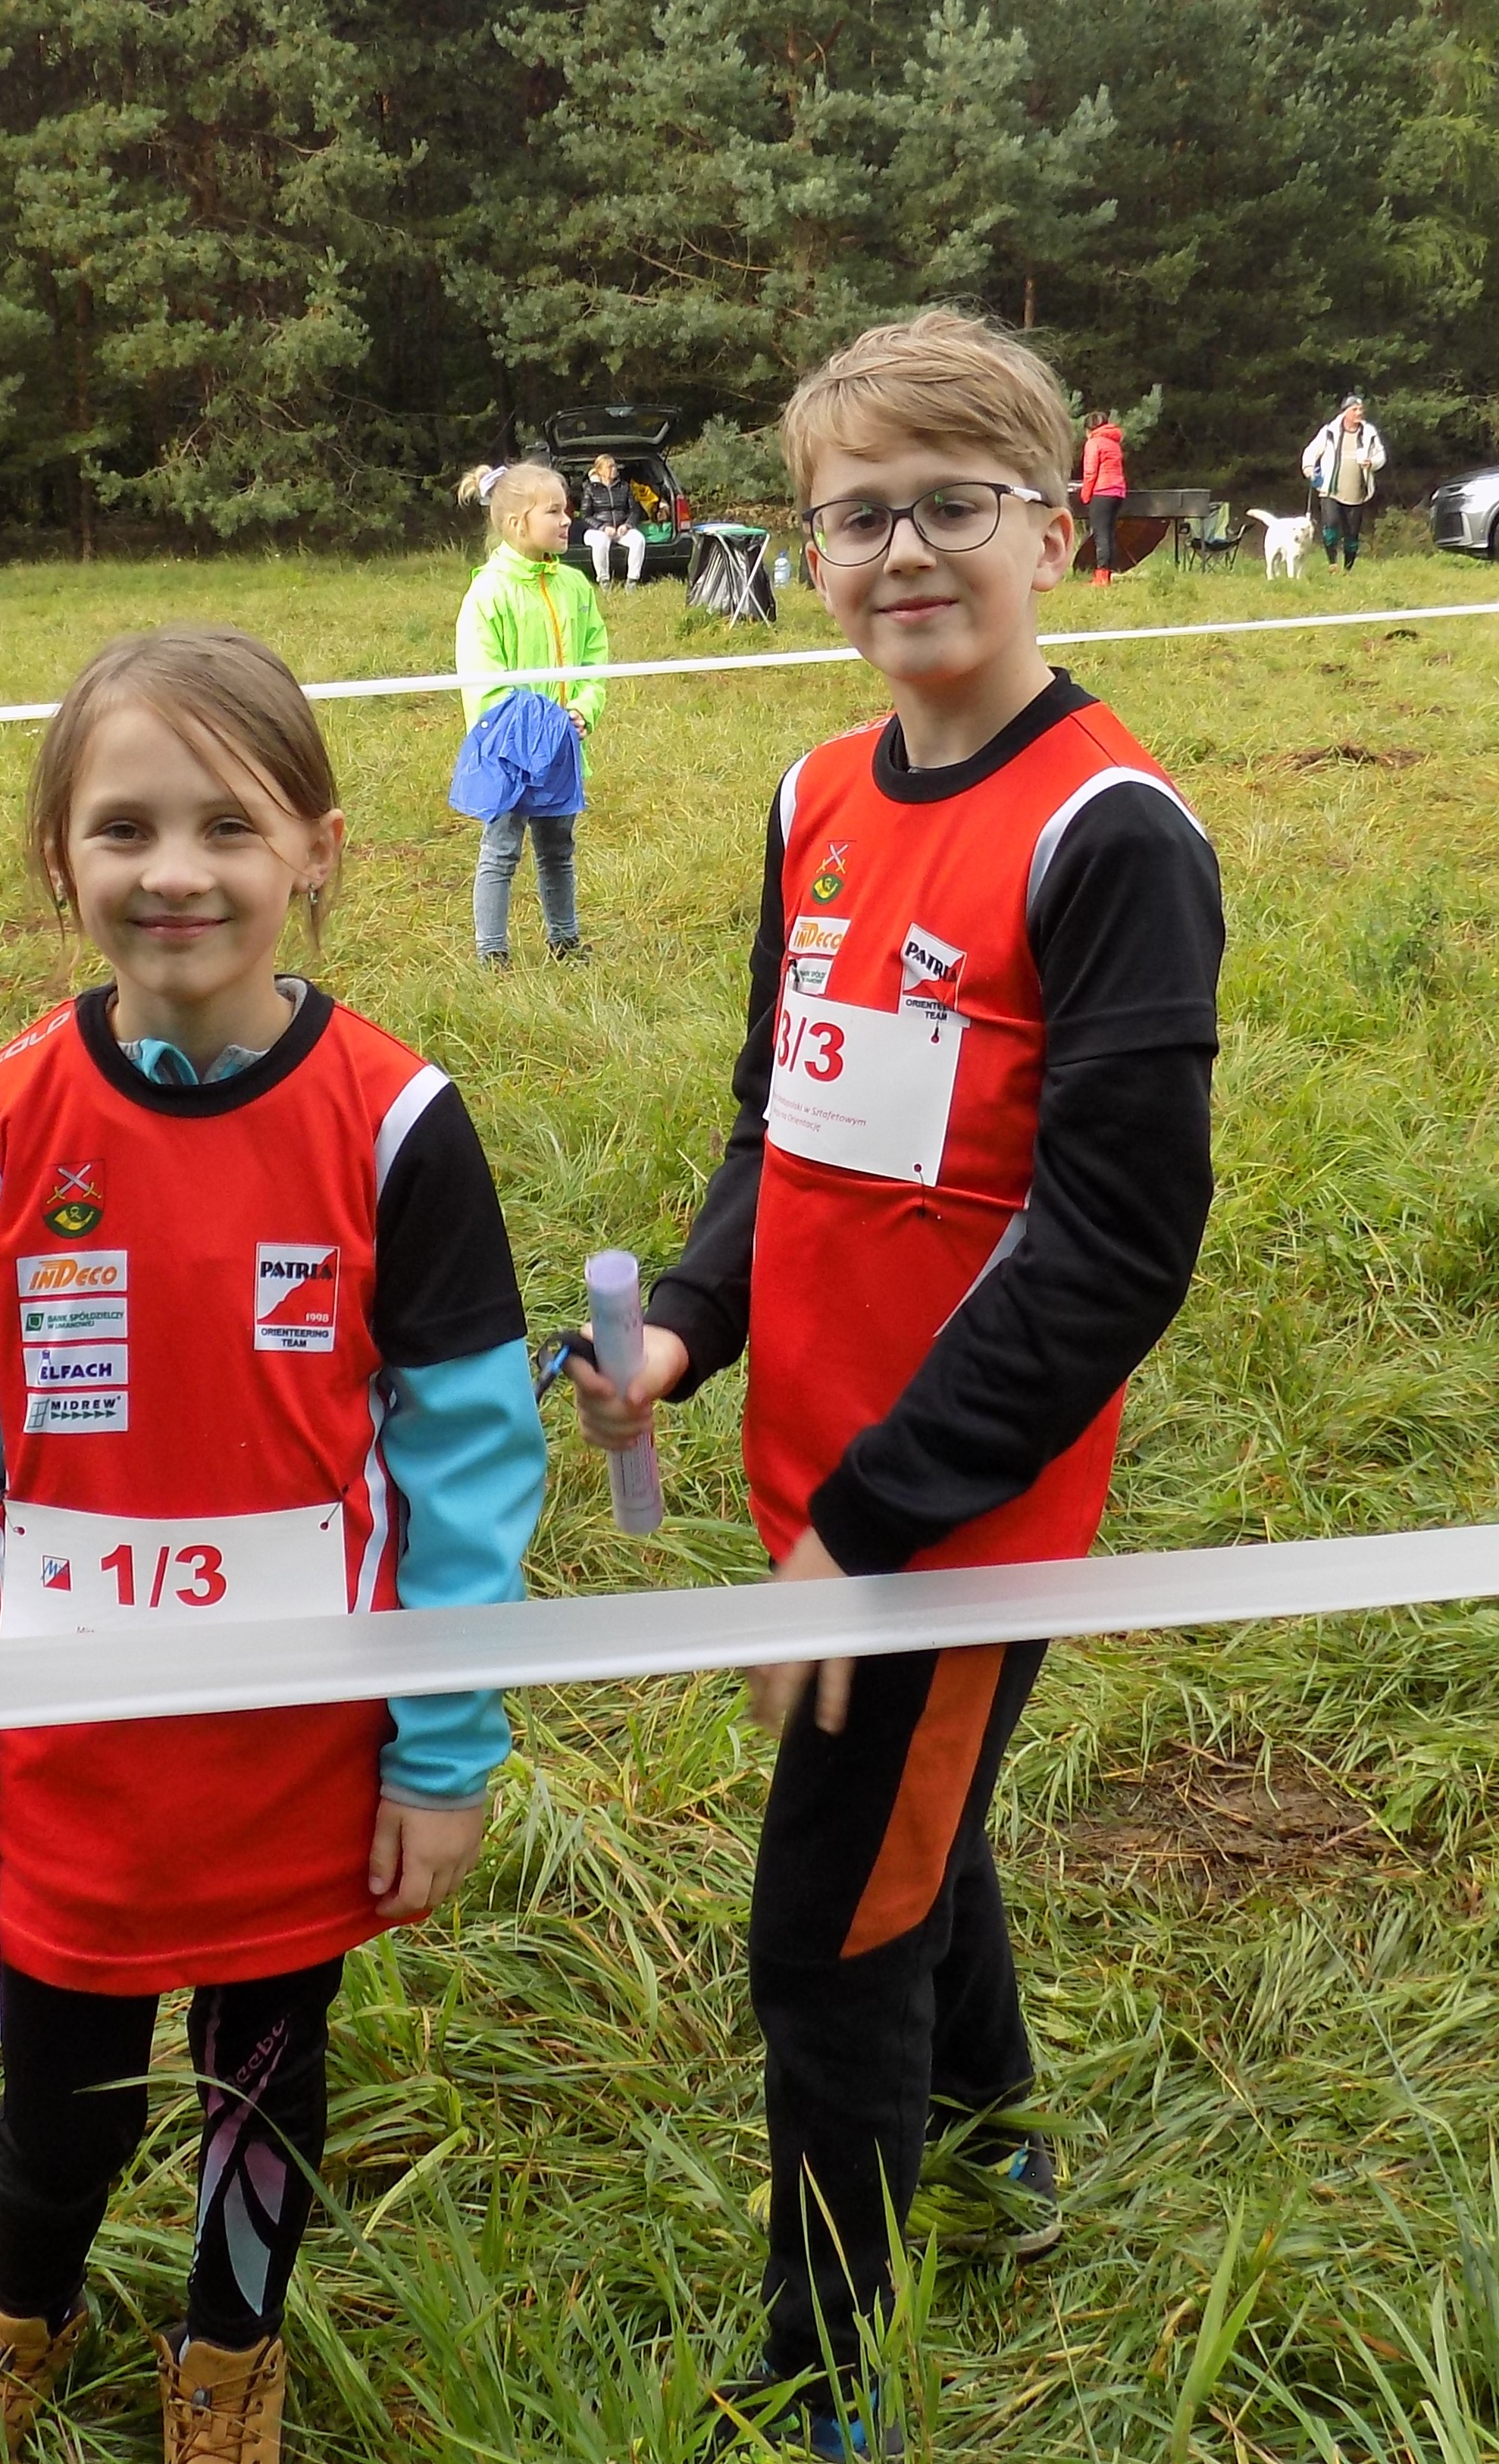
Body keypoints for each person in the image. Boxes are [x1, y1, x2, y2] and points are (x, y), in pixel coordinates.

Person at [565, 310, 1221, 2456]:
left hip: (952, 1521)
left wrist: (872, 1523)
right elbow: (788, 1122)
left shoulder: (1111, 835)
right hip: (818, 1478)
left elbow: (1117, 1251)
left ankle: (822, 2373)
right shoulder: (816, 796)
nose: (904, 551)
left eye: (954, 506)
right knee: (909, 1831)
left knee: (821, 1933)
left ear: (1054, 532)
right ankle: (1001, 2144)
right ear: (806, 548)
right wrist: (688, 1322)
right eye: (857, 516)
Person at [0, 627, 546, 2464]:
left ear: (315, 849)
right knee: (62, 2100)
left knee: (260, 2090)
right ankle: (13, 2327)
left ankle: (228, 2362)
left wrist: (442, 1748)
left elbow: (469, 1467)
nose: (176, 872)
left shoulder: (397, 1124)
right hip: (72, 1757)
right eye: (125, 827)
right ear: (57, 859)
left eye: (228, 825)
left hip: (297, 1759)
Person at [450, 459, 607, 963]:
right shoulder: (488, 593)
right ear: (518, 523)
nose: (567, 520)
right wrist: (532, 733)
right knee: (501, 850)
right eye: (554, 511)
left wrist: (583, 708)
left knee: (558, 850)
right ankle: (492, 952)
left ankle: (565, 941)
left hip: (562, 750)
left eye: (567, 510)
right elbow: (482, 681)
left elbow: (594, 659)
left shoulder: (575, 587)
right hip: (510, 756)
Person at [1300, 396, 1383, 573]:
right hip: (1330, 490)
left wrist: (1372, 463)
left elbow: (1381, 456)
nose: (1359, 413)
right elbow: (1311, 451)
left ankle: (1348, 569)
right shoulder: (1329, 431)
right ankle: (1332, 563)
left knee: (1352, 534)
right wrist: (1309, 468)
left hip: (1357, 493)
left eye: (1361, 409)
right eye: (1355, 410)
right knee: (1330, 524)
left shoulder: (1369, 433)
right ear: (1345, 412)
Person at [577, 451, 644, 587]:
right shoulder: (590, 489)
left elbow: (635, 511)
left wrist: (627, 525)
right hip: (597, 530)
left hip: (621, 529)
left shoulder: (624, 487)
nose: (614, 469)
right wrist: (603, 527)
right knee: (601, 542)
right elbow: (584, 516)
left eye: (615, 466)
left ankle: (632, 581)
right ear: (600, 471)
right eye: (610, 467)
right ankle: (604, 581)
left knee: (639, 540)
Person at [1076, 412, 1128, 583]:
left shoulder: (1094, 443)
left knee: (1100, 535)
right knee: (1110, 534)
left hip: (1102, 491)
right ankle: (1108, 575)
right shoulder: (1114, 443)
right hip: (1118, 492)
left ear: (1089, 429)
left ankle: (1101, 578)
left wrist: (1085, 495)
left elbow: (1090, 472)